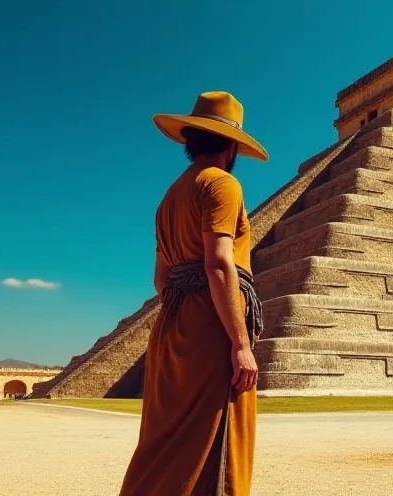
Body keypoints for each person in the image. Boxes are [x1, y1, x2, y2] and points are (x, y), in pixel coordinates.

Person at [120, 91, 268, 496]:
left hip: (172, 323)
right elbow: (219, 262)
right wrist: (240, 343)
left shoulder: (169, 197)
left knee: (164, 441)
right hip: (212, 324)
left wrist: (184, 311)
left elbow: (160, 279)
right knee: (218, 437)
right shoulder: (222, 184)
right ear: (232, 145)